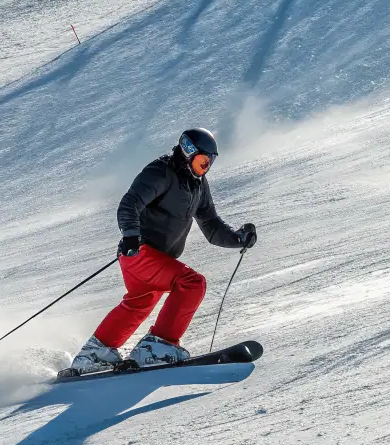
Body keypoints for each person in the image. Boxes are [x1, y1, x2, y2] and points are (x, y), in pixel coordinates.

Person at [68, 128, 256, 373]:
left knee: (141, 301)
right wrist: (131, 235)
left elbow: (211, 225)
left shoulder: (198, 185)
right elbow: (130, 203)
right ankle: (158, 346)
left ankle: (95, 353)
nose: (205, 168)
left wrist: (238, 238)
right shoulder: (161, 171)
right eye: (202, 162)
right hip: (139, 251)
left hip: (155, 258)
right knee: (192, 283)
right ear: (188, 151)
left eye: (209, 163)